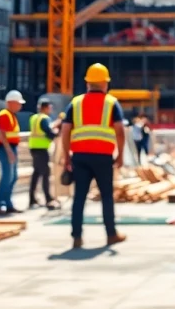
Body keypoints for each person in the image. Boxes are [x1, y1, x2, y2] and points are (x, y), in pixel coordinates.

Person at [60, 63, 127, 249]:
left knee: (79, 197)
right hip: (103, 157)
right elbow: (120, 131)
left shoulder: (75, 103)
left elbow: (65, 130)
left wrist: (67, 156)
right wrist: (120, 155)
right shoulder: (112, 103)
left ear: (88, 83)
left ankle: (77, 238)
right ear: (105, 84)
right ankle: (111, 234)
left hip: (79, 157)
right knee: (106, 196)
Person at [0, 90, 25, 215]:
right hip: (6, 149)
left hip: (11, 148)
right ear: (11, 103)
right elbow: (2, 134)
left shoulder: (11, 115)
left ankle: (8, 203)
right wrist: (9, 152)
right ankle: (0, 204)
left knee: (13, 177)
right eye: (18, 103)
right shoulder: (4, 114)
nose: (20, 106)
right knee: (7, 176)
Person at [28, 98, 61, 210]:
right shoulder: (44, 118)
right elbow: (48, 133)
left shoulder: (34, 118)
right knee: (45, 173)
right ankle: (48, 199)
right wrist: (57, 132)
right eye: (49, 107)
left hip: (33, 147)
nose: (50, 109)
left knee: (36, 174)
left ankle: (32, 198)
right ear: (45, 108)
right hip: (42, 149)